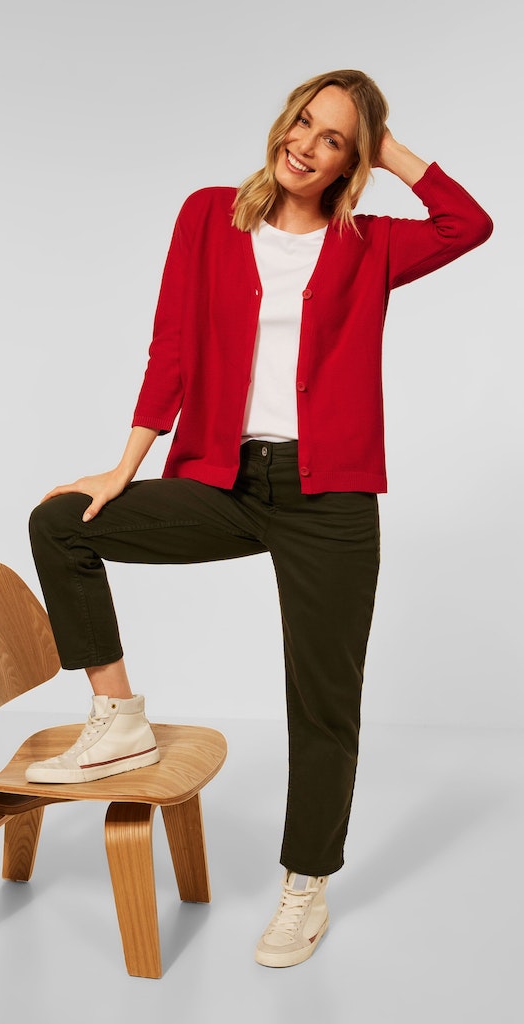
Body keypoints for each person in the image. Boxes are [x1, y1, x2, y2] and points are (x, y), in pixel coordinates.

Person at [25, 69, 492, 968]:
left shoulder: (368, 243)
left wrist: (388, 146)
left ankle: (304, 885)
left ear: (351, 162)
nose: (304, 147)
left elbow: (466, 224)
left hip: (330, 502)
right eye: (302, 123)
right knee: (62, 523)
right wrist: (124, 468)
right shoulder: (210, 216)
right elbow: (170, 344)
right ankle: (116, 715)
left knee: (323, 704)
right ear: (283, 122)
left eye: (332, 140)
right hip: (224, 480)